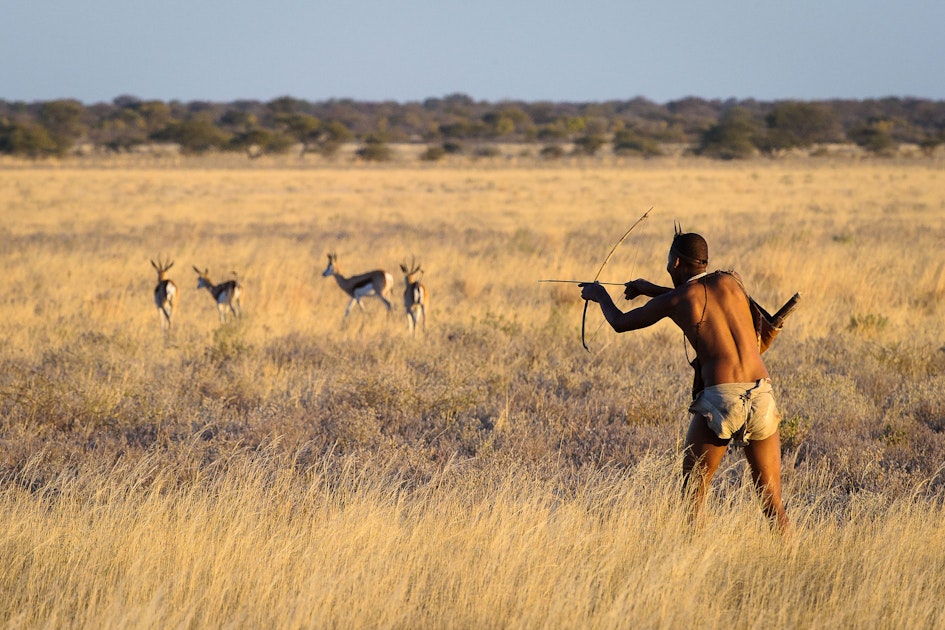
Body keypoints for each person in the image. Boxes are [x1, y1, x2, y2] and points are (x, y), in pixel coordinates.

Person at [580, 230, 790, 534]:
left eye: (668, 261)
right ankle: (790, 557)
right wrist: (652, 289)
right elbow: (699, 298)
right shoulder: (732, 281)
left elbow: (620, 323)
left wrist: (599, 294)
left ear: (676, 261)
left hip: (721, 398)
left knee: (693, 497)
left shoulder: (678, 300)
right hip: (762, 394)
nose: (667, 267)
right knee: (772, 502)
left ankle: (690, 566)